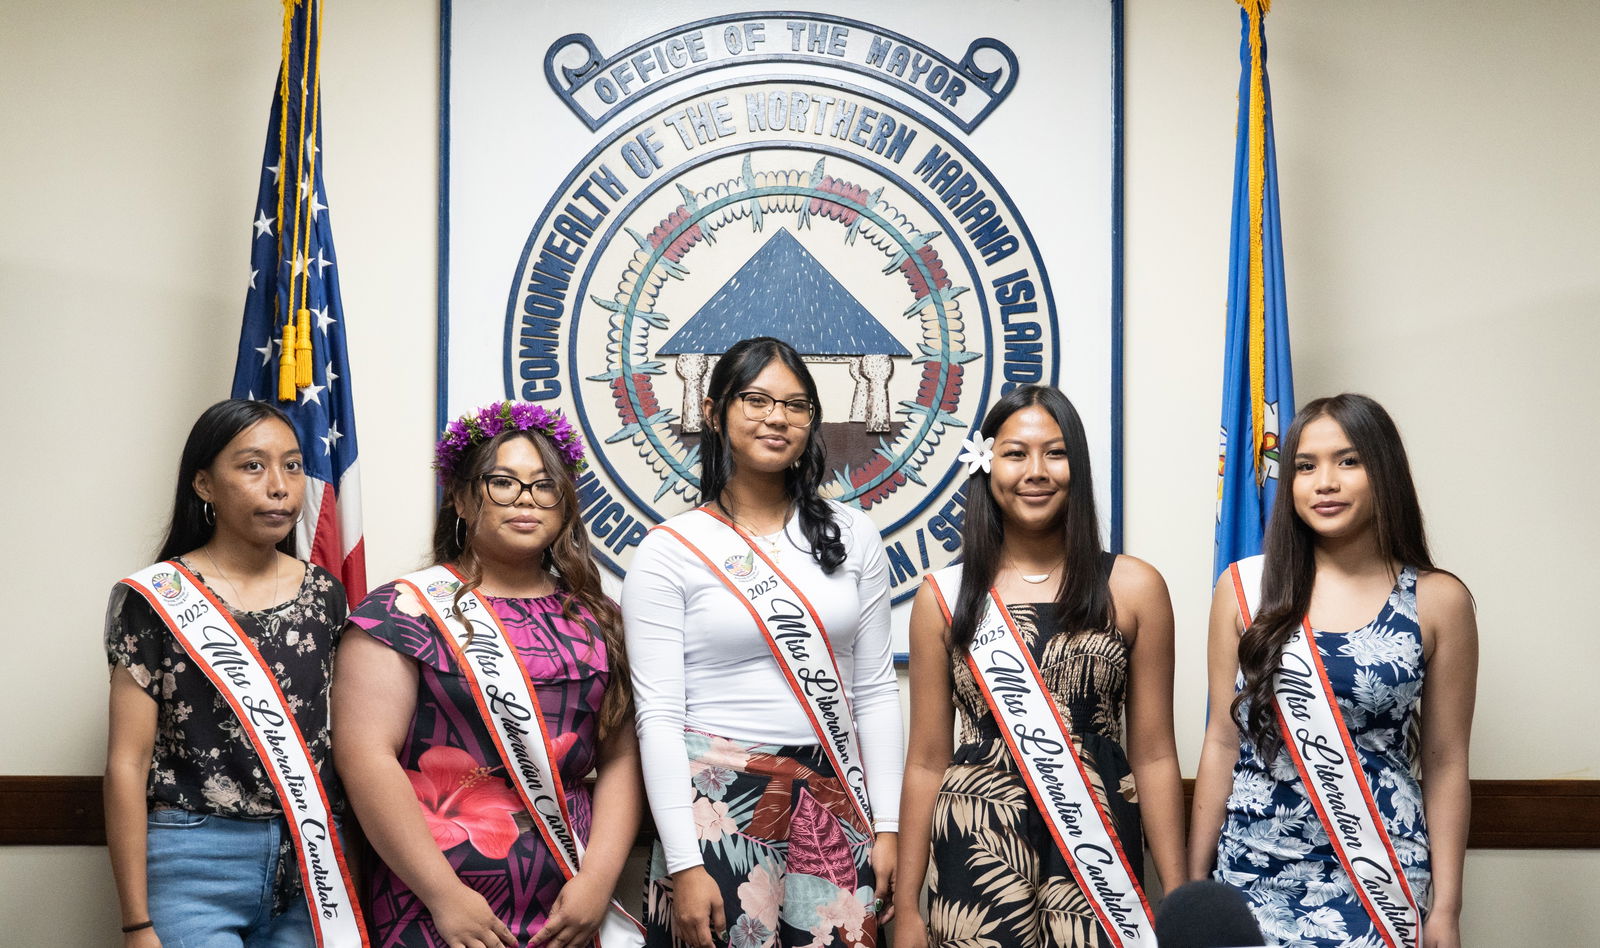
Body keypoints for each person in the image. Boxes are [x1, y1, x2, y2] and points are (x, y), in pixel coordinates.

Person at [623, 336, 905, 948]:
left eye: (796, 405)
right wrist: (684, 861)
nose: (777, 417)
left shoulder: (854, 534)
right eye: (755, 399)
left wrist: (888, 825)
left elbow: (877, 690)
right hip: (719, 809)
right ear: (712, 411)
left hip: (835, 796)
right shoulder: (671, 549)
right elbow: (659, 716)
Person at [334, 401, 643, 948]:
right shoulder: (401, 613)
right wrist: (442, 896)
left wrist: (597, 882)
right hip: (436, 904)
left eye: (545, 485)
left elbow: (621, 757)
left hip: (568, 905)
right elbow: (365, 759)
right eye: (503, 482)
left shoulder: (599, 619)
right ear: (459, 496)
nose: (526, 500)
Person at [894, 384, 1187, 947]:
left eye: (1055, 453)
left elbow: (1153, 753)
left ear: (1076, 466)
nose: (1036, 471)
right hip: (977, 846)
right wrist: (908, 907)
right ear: (986, 464)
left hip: (1096, 847)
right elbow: (927, 760)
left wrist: (1178, 896)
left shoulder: (1135, 587)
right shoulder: (944, 596)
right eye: (1014, 453)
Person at [1188, 394, 1478, 948]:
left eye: (1348, 461)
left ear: (1384, 471)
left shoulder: (1439, 601)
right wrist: (1193, 882)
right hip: (1253, 870)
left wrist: (1447, 909)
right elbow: (1222, 742)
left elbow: (1445, 761)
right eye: (1305, 465)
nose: (1325, 482)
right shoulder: (1245, 590)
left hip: (1380, 874)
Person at [104, 397, 360, 947]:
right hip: (196, 859)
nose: (279, 486)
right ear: (203, 485)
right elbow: (128, 761)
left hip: (313, 860)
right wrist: (136, 922)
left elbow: (347, 744)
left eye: (292, 465)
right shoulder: (154, 598)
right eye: (252, 466)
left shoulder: (325, 596)